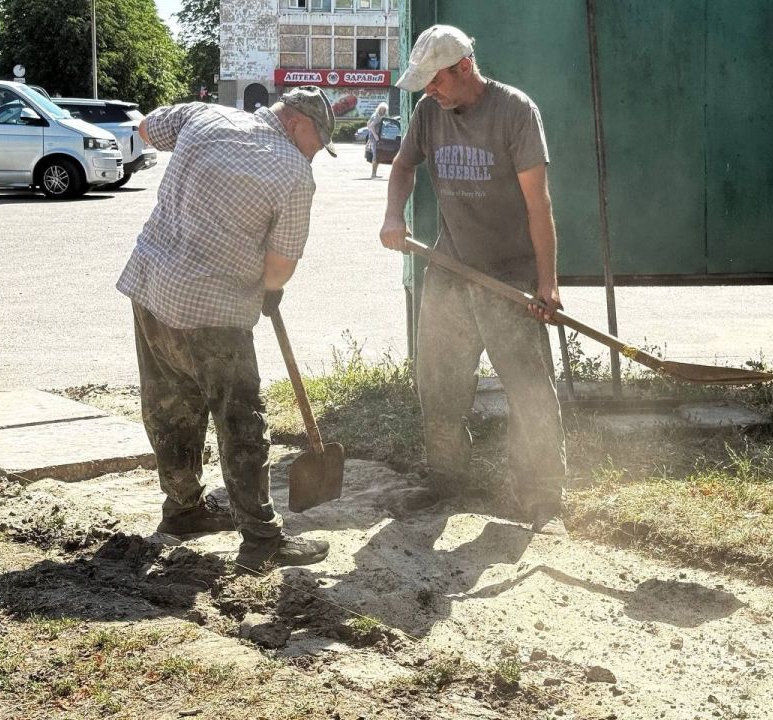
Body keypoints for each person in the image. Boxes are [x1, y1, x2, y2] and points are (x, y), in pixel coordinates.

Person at [116, 86, 337, 571]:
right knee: (241, 421)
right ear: (299, 124)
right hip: (214, 308)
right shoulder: (295, 173)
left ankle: (184, 509)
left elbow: (145, 129)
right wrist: (269, 287)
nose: (314, 155)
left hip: (152, 286)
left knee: (169, 403)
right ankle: (261, 540)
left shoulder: (204, 115)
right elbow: (279, 269)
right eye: (317, 144)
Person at [378, 25, 567, 534]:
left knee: (528, 390)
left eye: (435, 81)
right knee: (438, 383)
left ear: (464, 67)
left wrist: (546, 283)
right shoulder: (427, 113)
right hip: (450, 268)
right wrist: (394, 216)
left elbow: (538, 204)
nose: (430, 92)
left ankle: (542, 497)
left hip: (509, 276)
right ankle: (446, 481)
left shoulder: (515, 111)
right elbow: (401, 166)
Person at [366, 101, 388, 178]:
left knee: (377, 154)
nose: (382, 111)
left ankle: (374, 173)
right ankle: (373, 174)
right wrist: (375, 136)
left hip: (375, 137)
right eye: (381, 109)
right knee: (376, 155)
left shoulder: (379, 115)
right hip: (375, 137)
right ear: (379, 109)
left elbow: (368, 123)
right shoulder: (377, 116)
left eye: (384, 109)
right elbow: (371, 126)